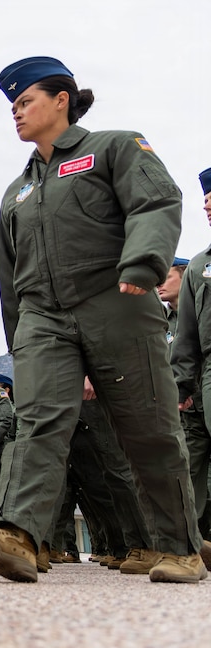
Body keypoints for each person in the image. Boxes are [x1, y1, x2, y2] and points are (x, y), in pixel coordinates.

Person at [0, 56, 205, 583]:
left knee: (148, 429)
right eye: (13, 106)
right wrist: (19, 336)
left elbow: (156, 201)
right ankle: (18, 537)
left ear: (61, 99)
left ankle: (180, 547)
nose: (16, 113)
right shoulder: (15, 191)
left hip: (117, 302)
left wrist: (143, 261)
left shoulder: (113, 148)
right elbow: (9, 275)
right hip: (43, 319)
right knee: (39, 422)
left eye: (25, 101)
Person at [173, 168, 211, 564]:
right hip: (204, 376)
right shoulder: (199, 266)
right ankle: (188, 547)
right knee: (190, 466)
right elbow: (186, 334)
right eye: (205, 198)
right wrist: (182, 385)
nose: (207, 203)